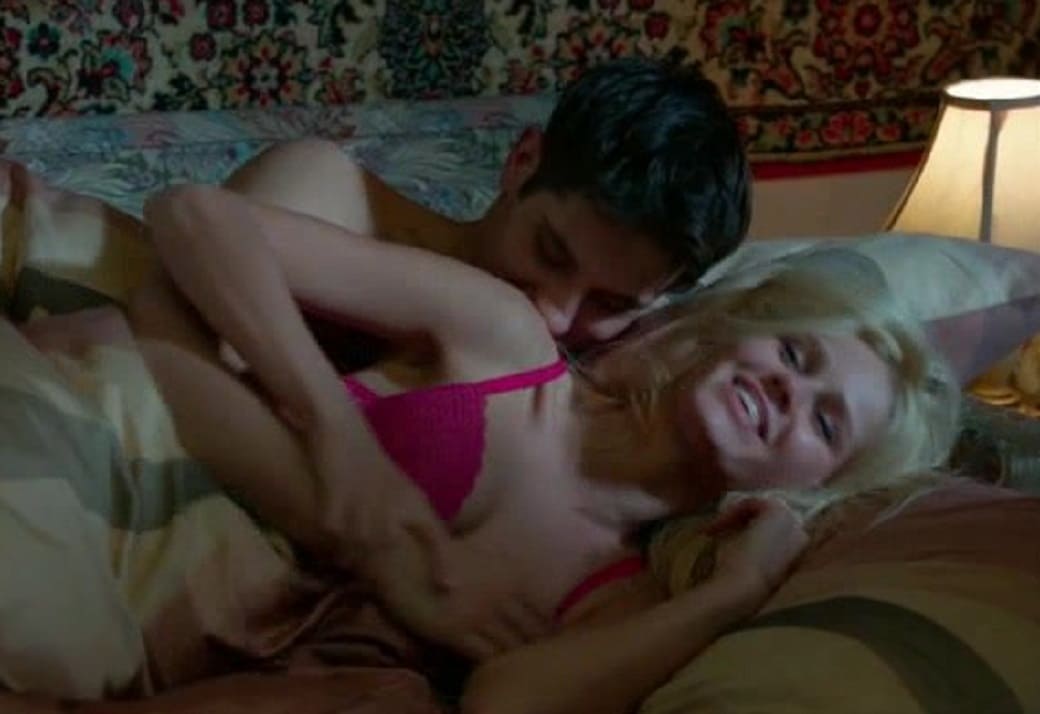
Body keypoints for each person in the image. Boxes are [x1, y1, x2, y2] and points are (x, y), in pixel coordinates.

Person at [4, 183, 959, 710]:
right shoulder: (508, 341)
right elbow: (193, 214)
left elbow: (503, 704)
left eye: (825, 423)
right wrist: (341, 437)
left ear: (814, 486)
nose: (790, 389)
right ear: (735, 332)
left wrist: (733, 594)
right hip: (112, 437)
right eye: (793, 353)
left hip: (165, 619)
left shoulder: (617, 595)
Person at [221, 57, 752, 361]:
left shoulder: (607, 369)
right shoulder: (328, 192)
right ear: (522, 162)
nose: (554, 317)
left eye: (610, 304)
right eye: (550, 252)